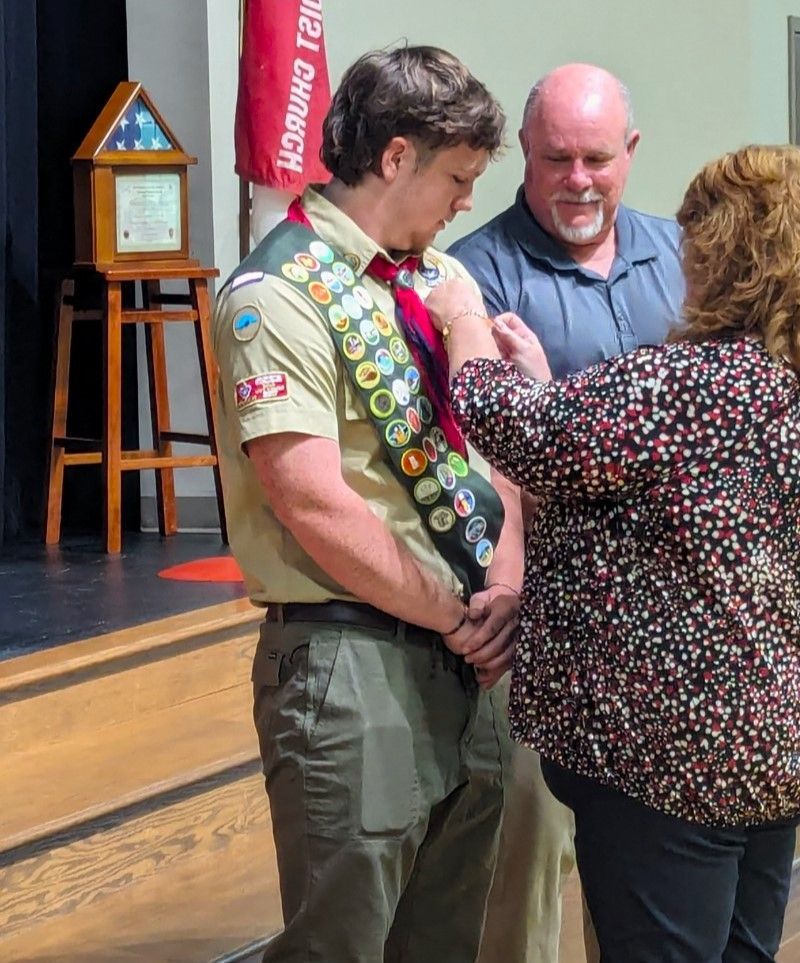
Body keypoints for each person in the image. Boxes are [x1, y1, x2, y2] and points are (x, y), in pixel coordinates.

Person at [427, 144, 800, 962]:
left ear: (726, 254)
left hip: (668, 760)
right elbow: (675, 517)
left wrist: (463, 318)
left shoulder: (691, 385)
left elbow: (513, 430)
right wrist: (548, 391)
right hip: (772, 741)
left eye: (694, 241)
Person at [211, 46, 524, 962]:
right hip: (351, 654)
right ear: (394, 158)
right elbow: (312, 502)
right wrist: (457, 615)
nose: (466, 201)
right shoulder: (277, 293)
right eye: (457, 178)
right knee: (341, 940)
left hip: (465, 650)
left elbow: (496, 450)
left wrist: (501, 587)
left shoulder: (435, 282)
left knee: (446, 935)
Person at [448, 63, 683, 963]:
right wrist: (505, 585)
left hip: (665, 623)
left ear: (631, 151)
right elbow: (492, 468)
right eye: (556, 159)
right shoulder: (476, 274)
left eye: (596, 158)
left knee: (646, 865)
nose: (578, 180)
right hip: (546, 616)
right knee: (530, 848)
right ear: (524, 152)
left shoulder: (682, 256)